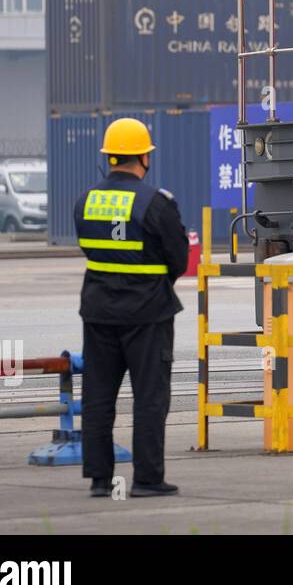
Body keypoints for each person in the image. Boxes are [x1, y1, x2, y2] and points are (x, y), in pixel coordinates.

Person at [74, 117, 188, 497]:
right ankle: (148, 480)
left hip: (98, 312)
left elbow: (90, 249)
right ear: (144, 157)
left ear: (108, 157)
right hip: (148, 314)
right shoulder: (156, 203)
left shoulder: (86, 201)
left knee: (98, 397)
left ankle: (99, 480)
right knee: (150, 398)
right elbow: (178, 259)